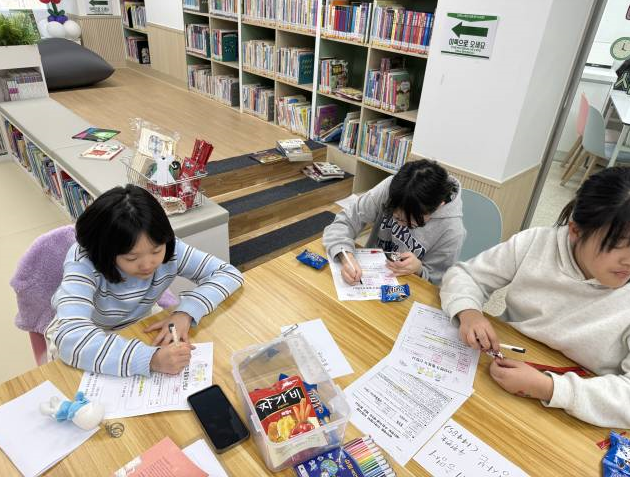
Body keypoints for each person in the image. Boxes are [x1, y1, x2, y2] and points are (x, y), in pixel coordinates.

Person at [440, 167, 630, 428]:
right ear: (576, 231)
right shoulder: (536, 243)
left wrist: (550, 388)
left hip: (581, 409)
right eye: (618, 244)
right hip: (502, 370)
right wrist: (469, 312)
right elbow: (465, 275)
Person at [45, 185, 243, 377]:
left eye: (156, 251)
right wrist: (150, 359)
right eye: (131, 258)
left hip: (139, 322)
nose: (148, 265)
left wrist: (186, 312)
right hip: (92, 331)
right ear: (105, 252)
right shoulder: (84, 262)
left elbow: (228, 273)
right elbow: (71, 339)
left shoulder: (169, 247)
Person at [323, 159, 466, 285]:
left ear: (439, 206)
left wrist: (419, 270)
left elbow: (436, 285)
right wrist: (346, 257)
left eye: (412, 223)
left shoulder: (452, 232)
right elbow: (345, 222)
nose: (401, 224)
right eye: (397, 218)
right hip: (369, 275)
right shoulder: (391, 189)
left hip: (408, 290)